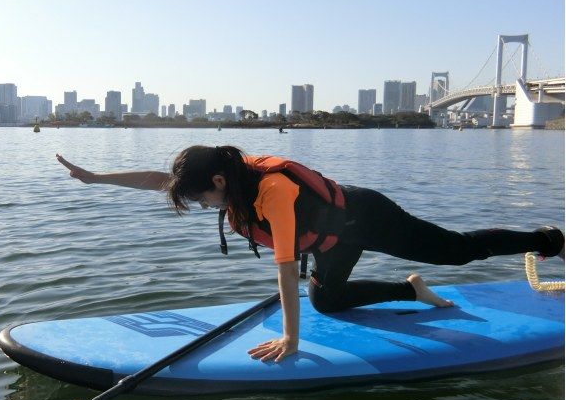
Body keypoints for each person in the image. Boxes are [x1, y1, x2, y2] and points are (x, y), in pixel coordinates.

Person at [56, 146, 564, 364]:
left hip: (368, 217)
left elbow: (283, 268)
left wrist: (290, 338)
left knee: (455, 252)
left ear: (217, 182)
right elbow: (157, 180)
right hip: (331, 240)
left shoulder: (272, 190)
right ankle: (408, 290)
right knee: (329, 302)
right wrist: (95, 178)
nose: (202, 206)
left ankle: (547, 238)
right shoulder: (224, 179)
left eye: (202, 198)